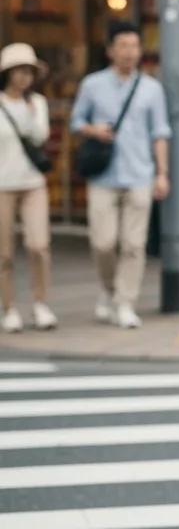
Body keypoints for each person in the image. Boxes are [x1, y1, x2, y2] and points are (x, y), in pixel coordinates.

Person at [70, 22, 172, 329]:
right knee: (103, 243)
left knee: (133, 245)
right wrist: (93, 130)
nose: (129, 52)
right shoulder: (92, 84)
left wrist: (162, 173)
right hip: (103, 176)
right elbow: (76, 121)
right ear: (110, 50)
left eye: (134, 46)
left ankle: (125, 303)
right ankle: (109, 289)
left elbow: (160, 134)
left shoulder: (152, 88)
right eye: (123, 46)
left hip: (140, 173)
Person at [0, 43, 57, 333]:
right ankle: (8, 307)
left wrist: (30, 112)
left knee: (39, 245)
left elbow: (40, 137)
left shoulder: (38, 104)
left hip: (33, 182)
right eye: (19, 71)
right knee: (4, 252)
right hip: (2, 185)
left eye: (29, 72)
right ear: (8, 74)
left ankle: (40, 303)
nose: (24, 77)